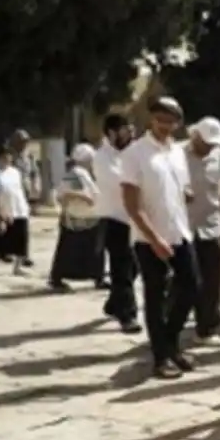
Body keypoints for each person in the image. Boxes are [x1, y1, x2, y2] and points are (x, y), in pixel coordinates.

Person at [120, 96, 201, 379]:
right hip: (148, 237)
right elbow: (132, 204)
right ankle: (160, 357)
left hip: (179, 231)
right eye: (161, 120)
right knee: (155, 296)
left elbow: (184, 187)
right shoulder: (135, 153)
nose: (165, 126)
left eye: (171, 122)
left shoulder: (177, 152)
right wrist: (154, 238)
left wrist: (185, 194)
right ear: (151, 119)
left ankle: (170, 340)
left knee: (192, 286)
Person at [95, 114, 140, 332]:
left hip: (136, 220)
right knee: (121, 269)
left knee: (134, 267)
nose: (130, 134)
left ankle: (114, 303)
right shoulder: (102, 157)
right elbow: (121, 183)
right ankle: (128, 316)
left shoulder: (132, 153)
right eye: (125, 130)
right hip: (114, 219)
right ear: (112, 133)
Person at [186, 117, 220, 342]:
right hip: (184, 227)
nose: (209, 147)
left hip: (212, 227)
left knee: (212, 280)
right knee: (186, 281)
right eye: (205, 142)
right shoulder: (177, 155)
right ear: (195, 136)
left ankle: (207, 327)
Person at [48, 143, 104, 291]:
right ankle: (57, 279)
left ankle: (97, 277)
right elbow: (65, 193)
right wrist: (86, 197)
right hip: (78, 219)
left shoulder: (82, 173)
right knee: (71, 251)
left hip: (87, 218)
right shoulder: (77, 173)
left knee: (90, 250)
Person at [0, 145, 32, 276]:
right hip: (3, 210)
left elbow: (20, 189)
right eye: (5, 157)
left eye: (9, 157)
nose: (8, 159)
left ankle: (18, 267)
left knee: (22, 240)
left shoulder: (15, 172)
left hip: (19, 208)